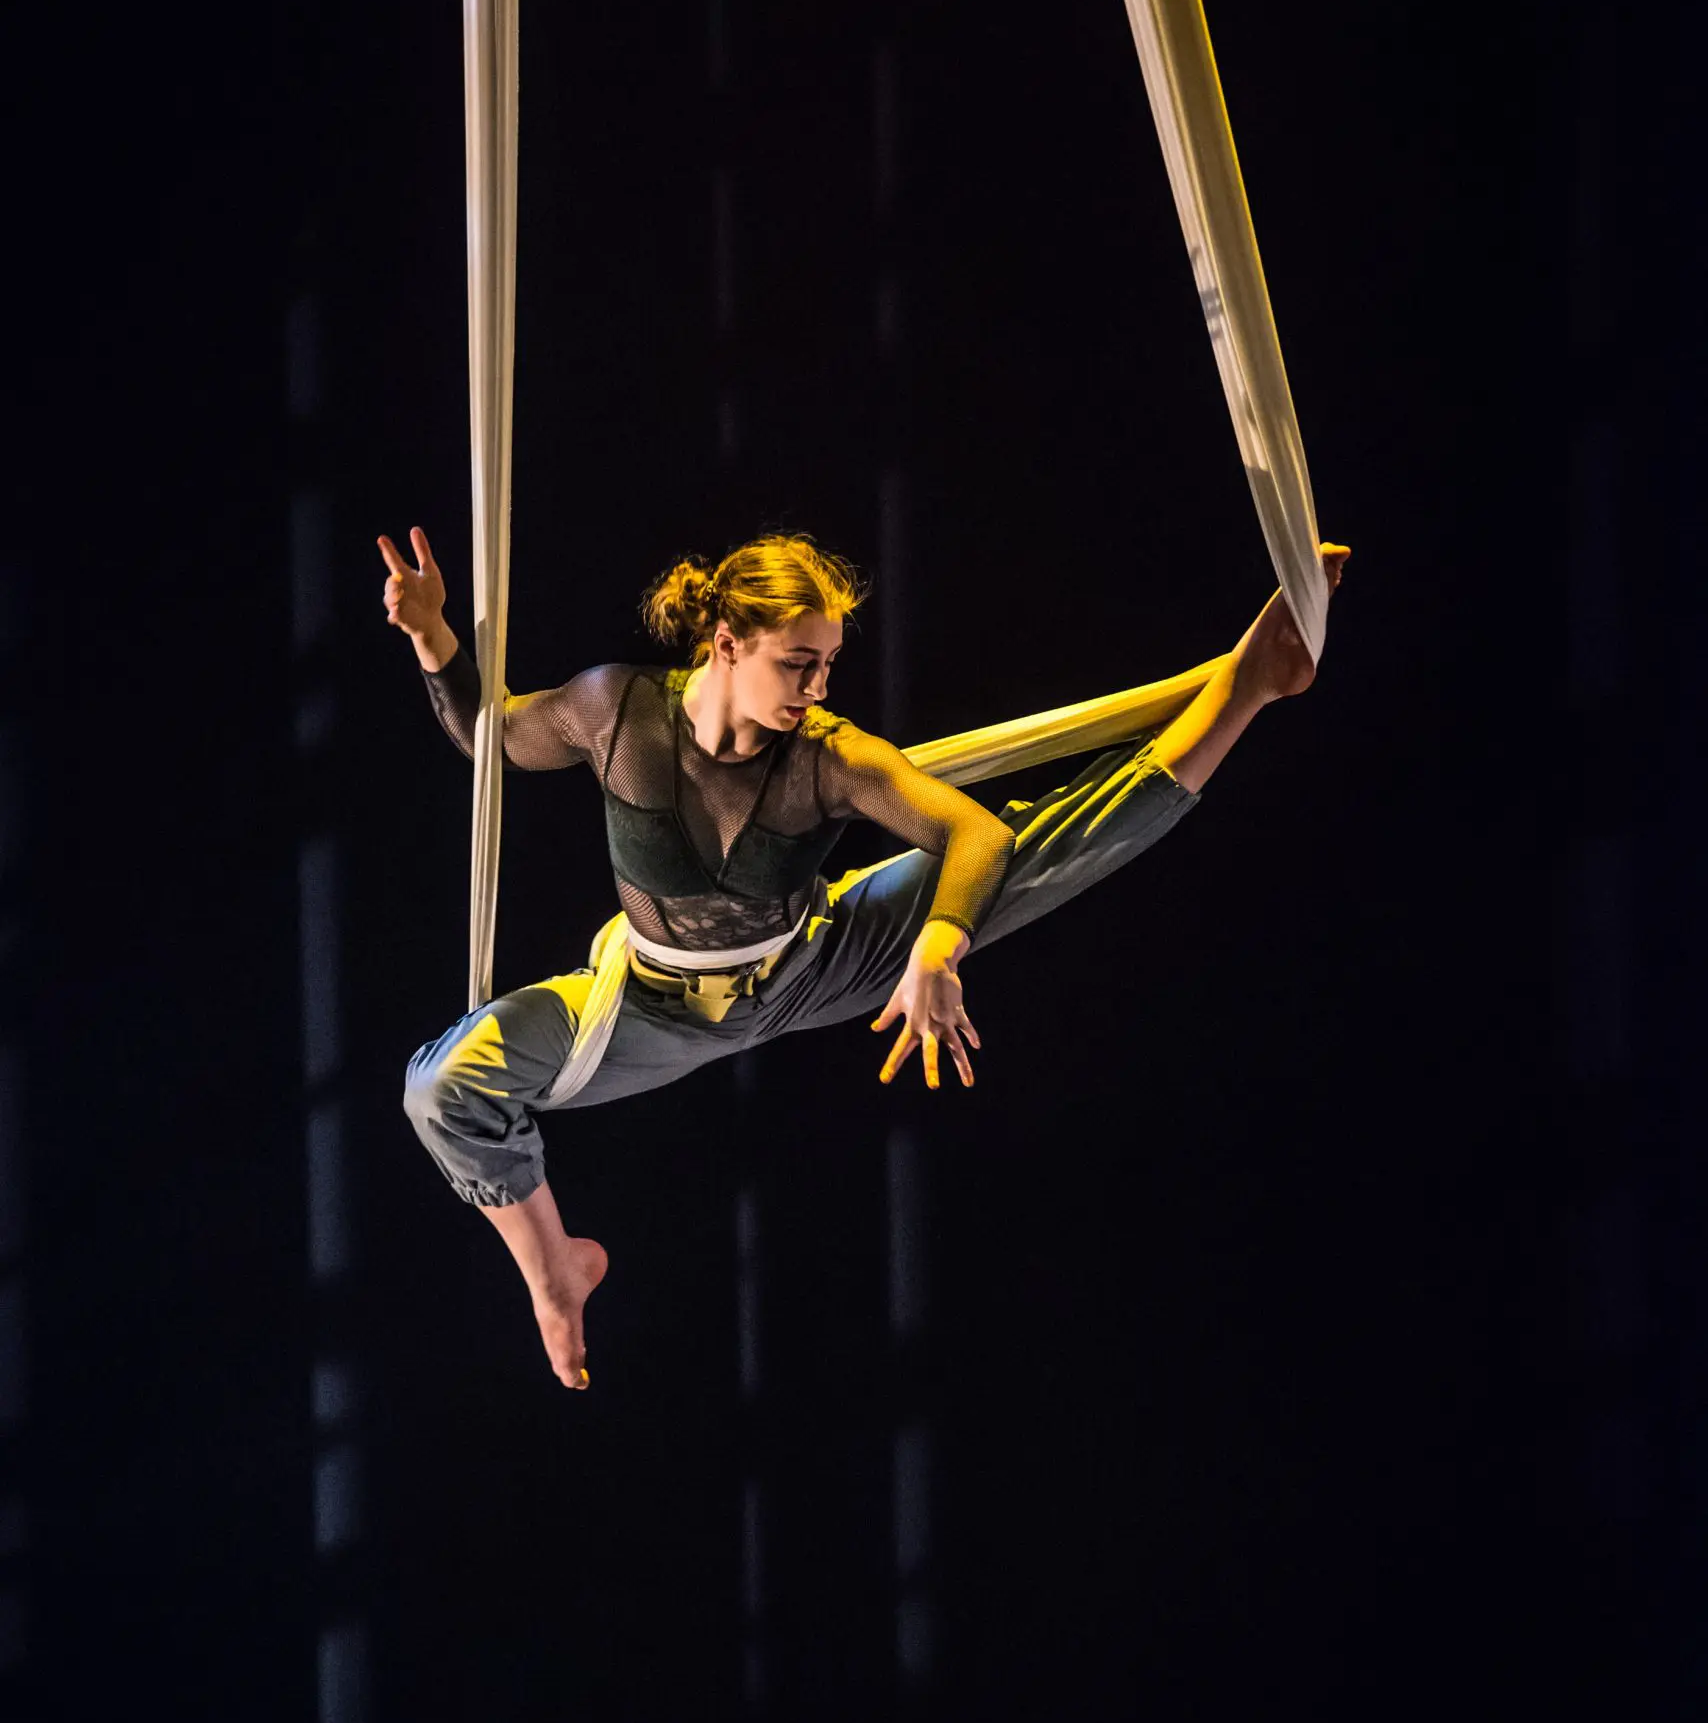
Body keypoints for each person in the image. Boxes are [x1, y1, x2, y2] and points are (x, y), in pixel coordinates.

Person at [379, 526, 1348, 1392]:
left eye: (828, 665)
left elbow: (975, 835)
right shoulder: (615, 711)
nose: (817, 689)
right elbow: (489, 737)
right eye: (798, 664)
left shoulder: (828, 756)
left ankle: (1248, 688)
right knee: (442, 1088)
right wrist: (432, 637)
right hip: (645, 1006)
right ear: (726, 644)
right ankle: (555, 1268)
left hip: (815, 961)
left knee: (1039, 850)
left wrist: (938, 946)